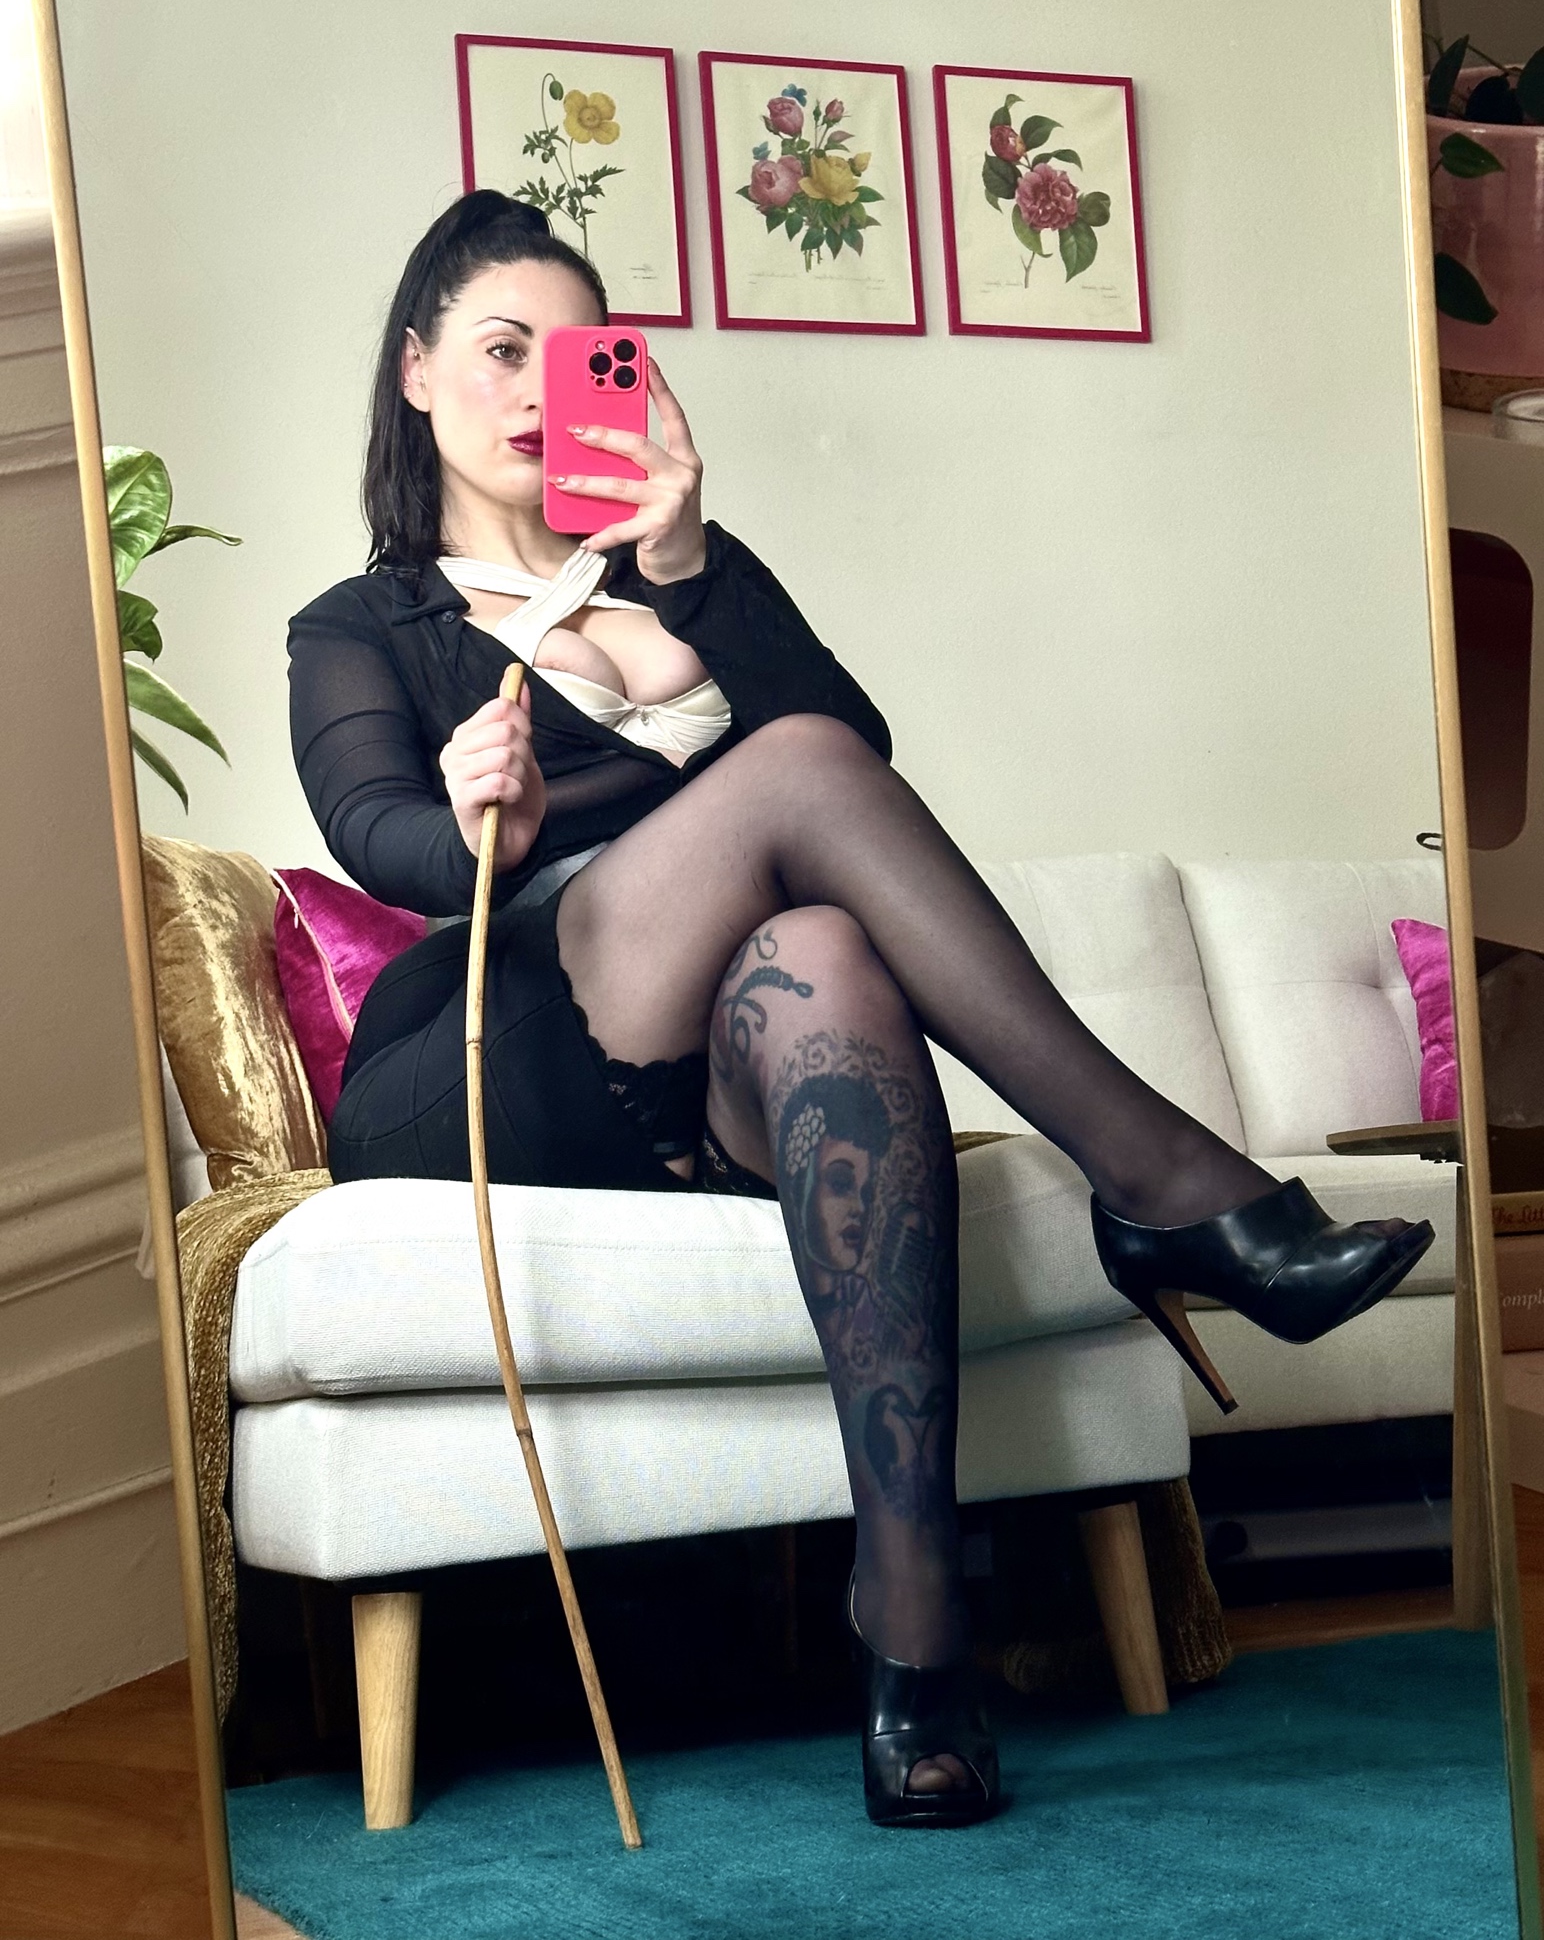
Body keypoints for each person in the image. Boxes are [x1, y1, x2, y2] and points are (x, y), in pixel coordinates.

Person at [288, 191, 1434, 1829]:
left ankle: (913, 1633)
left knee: (826, 947)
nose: (538, 388)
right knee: (798, 784)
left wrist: (682, 561)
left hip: (712, 1053)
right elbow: (376, 837)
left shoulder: (680, 574)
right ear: (416, 371)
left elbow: (858, 760)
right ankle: (1170, 1187)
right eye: (499, 349)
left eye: (576, 355)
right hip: (496, 1044)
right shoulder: (366, 624)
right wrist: (492, 813)